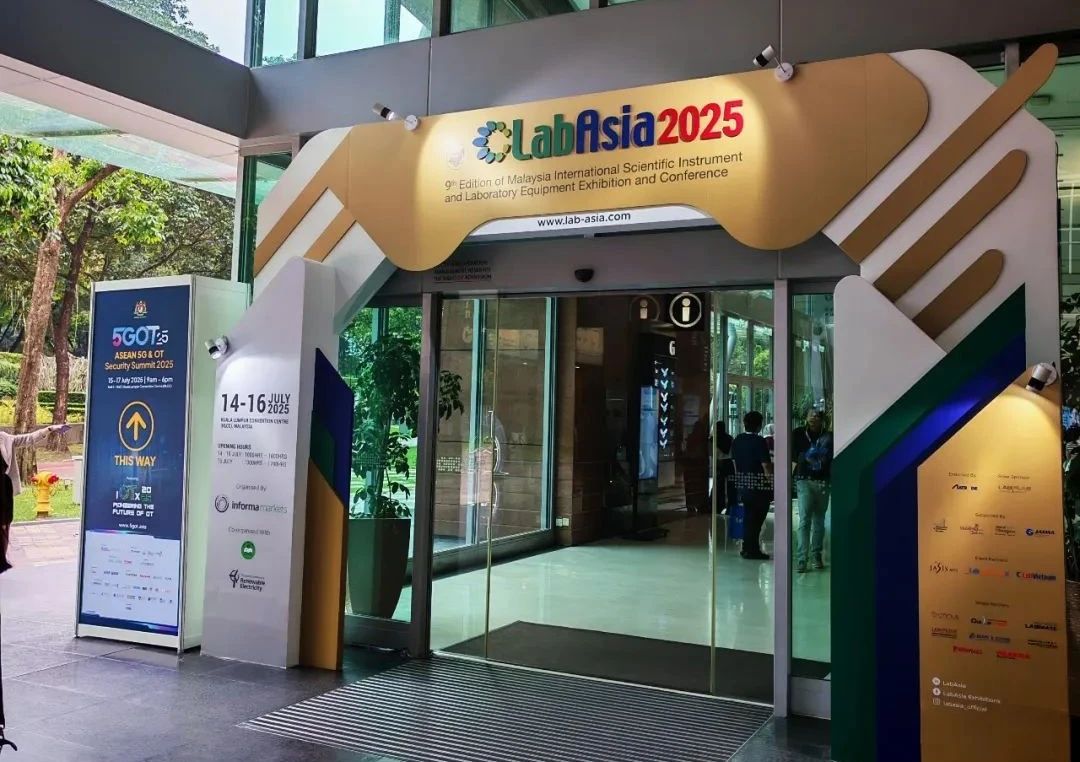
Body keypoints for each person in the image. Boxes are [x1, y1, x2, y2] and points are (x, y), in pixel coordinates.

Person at [793, 409, 833, 573]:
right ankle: (802, 558)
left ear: (822, 420)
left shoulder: (828, 436)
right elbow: (793, 456)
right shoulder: (798, 434)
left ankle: (816, 555)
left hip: (823, 481)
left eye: (817, 415)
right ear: (806, 417)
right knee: (804, 520)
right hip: (804, 480)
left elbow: (830, 457)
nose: (813, 418)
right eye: (810, 414)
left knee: (819, 520)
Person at [730, 411, 772, 560]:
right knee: (757, 518)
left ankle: (746, 548)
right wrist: (771, 482)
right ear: (759, 425)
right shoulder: (759, 441)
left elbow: (734, 463)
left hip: (743, 483)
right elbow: (766, 465)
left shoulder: (737, 439)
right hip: (758, 485)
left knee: (748, 517)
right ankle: (752, 549)